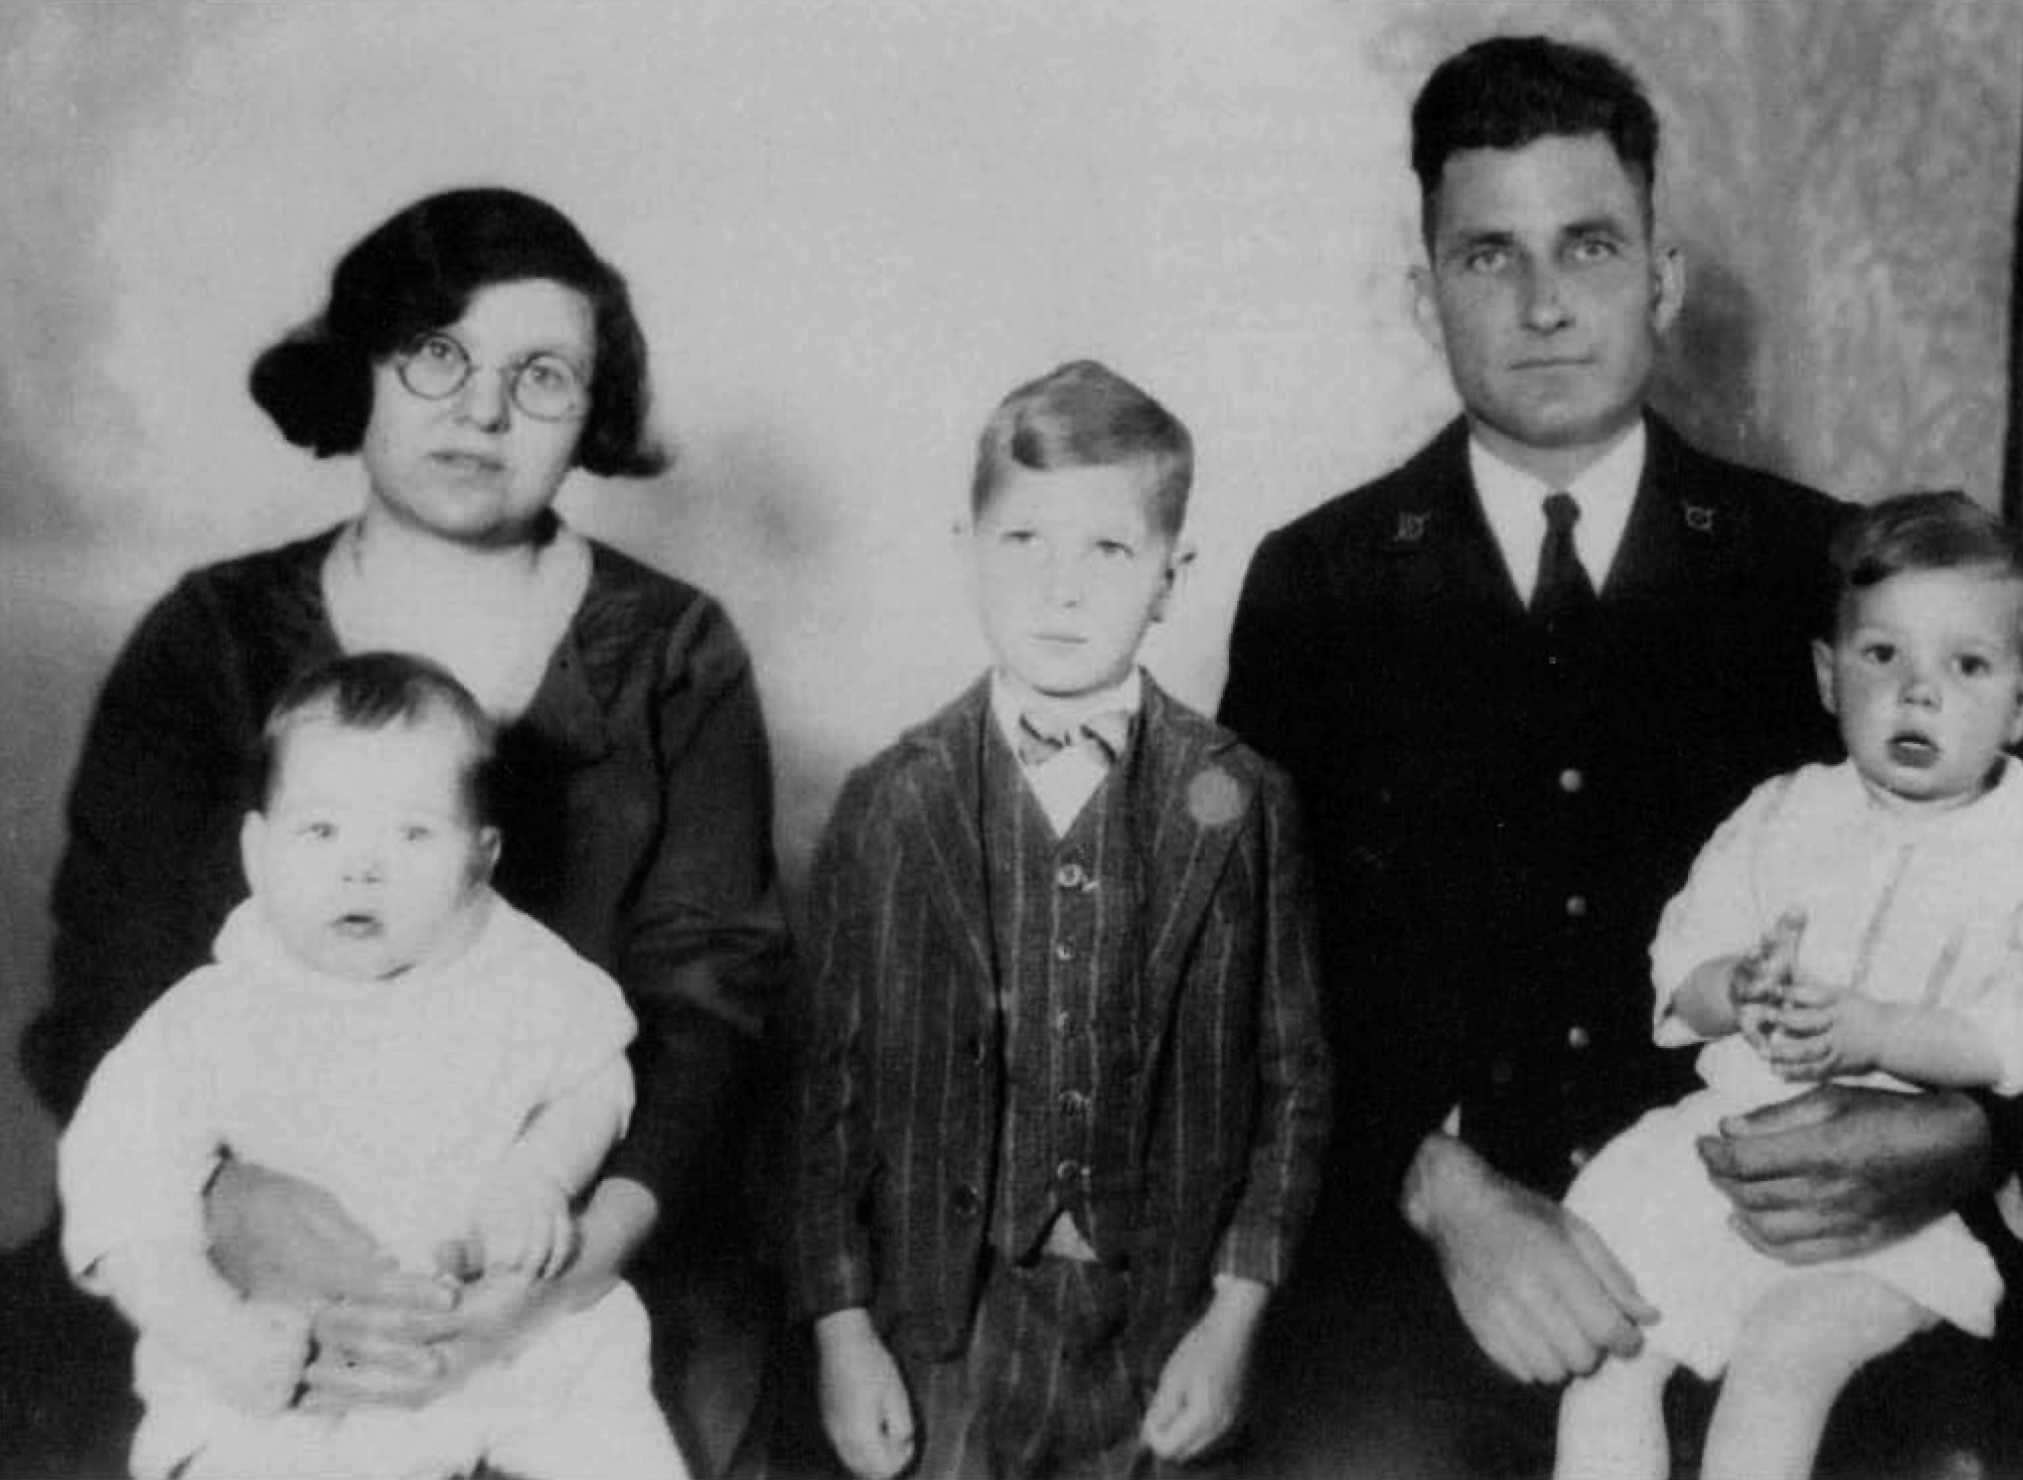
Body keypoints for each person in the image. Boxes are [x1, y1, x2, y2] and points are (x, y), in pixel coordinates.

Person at [1220, 35, 2007, 1477]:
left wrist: (1960, 1138)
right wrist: (1442, 1188)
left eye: (1587, 247)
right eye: (1486, 258)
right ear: (1424, 295)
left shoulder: (1819, 570)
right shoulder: (1320, 582)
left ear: (1663, 278)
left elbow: (2011, 900)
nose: (1540, 305)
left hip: (1778, 1238)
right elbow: (1256, 974)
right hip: (1437, 1251)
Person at [18, 187, 789, 1478]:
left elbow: (709, 1006)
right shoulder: (211, 639)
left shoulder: (672, 652)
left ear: (591, 413)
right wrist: (235, 1222)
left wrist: (549, 1278)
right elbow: (109, 984)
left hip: (581, 1239)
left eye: (541, 377)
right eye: (436, 354)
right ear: (362, 365)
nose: (481, 410)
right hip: (229, 1250)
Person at [792, 360, 1330, 1479]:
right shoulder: (894, 800)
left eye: (1109, 551)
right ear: (965, 551)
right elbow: (818, 1098)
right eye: (1023, 544)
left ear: (1171, 579)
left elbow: (1293, 1084)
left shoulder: (1240, 802)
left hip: (1160, 1326)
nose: (1060, 591)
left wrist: (1235, 1316)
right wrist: (844, 1330)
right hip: (945, 1324)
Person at [1555, 492, 2023, 1479]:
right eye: (1882, 656)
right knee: (1610, 1356)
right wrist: (1735, 988)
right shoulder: (1781, 814)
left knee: (1784, 1360)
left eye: (1966, 666)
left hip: (1907, 1212)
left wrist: (1881, 1033)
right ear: (1828, 674)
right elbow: (1677, 965)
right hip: (1725, 1156)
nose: (1917, 694)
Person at [59, 653, 691, 1480]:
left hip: (514, 1334)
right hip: (301, 1362)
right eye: (320, 829)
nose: (362, 866)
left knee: (605, 1402)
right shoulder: (214, 1013)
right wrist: (214, 1326)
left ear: (481, 857)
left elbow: (596, 1080)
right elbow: (118, 1189)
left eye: (413, 832)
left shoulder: (523, 976)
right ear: (257, 850)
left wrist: (538, 1172)